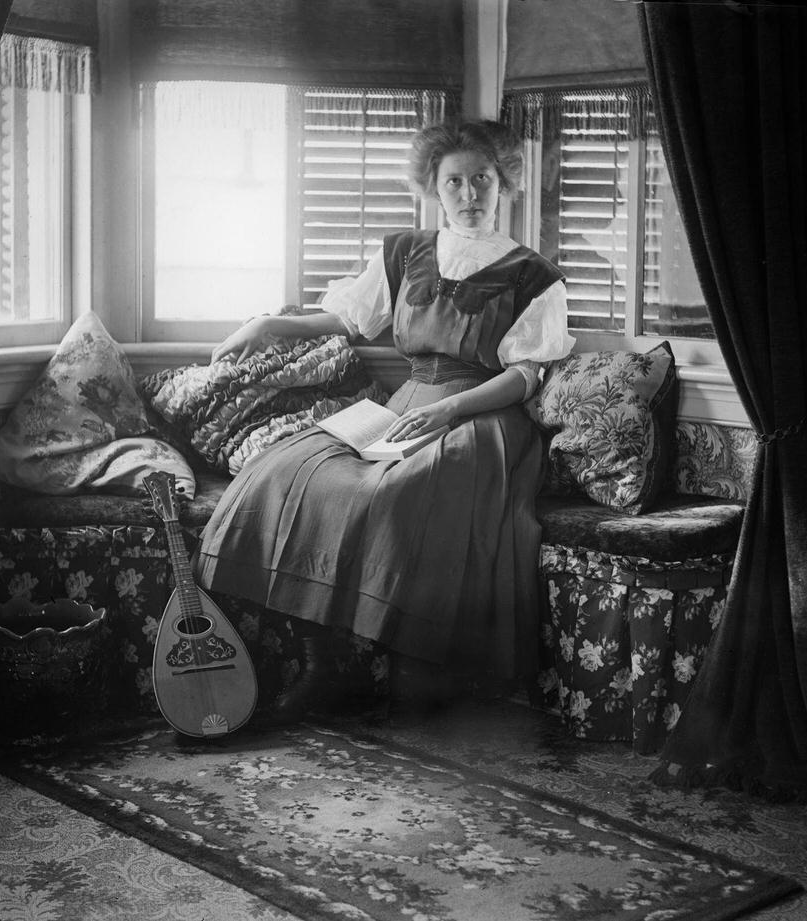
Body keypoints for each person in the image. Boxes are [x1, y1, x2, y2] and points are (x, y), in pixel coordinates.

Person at [196, 119, 574, 723]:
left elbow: (525, 377)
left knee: (400, 496)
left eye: (482, 180)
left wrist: (451, 409)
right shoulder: (405, 251)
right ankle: (329, 666)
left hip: (482, 417)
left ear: (504, 183)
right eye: (455, 182)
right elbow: (348, 318)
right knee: (292, 470)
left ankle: (412, 674)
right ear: (433, 186)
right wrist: (267, 323)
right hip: (407, 404)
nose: (470, 195)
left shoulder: (534, 275)